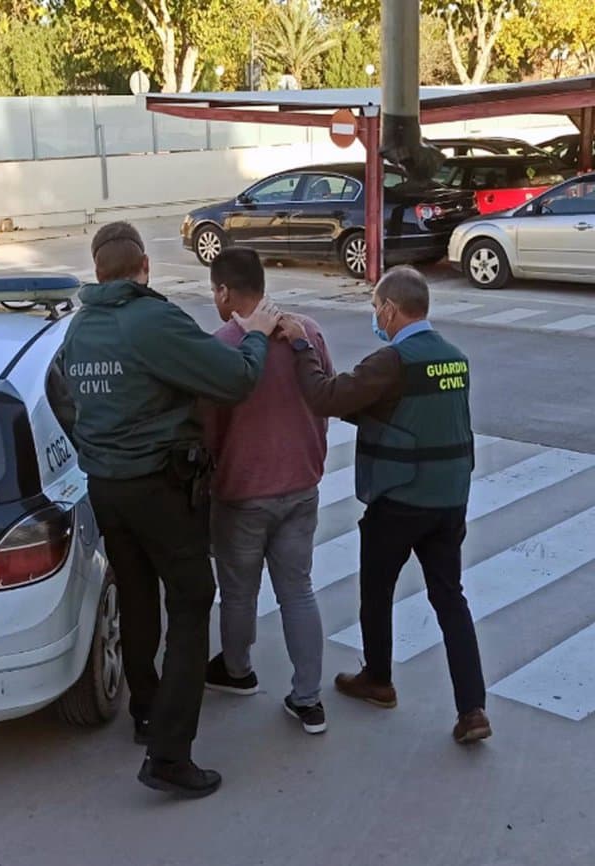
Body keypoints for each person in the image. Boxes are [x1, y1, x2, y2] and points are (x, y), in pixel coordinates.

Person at [58, 221, 280, 798]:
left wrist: (96, 445)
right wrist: (253, 333)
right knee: (190, 600)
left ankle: (146, 712)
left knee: (136, 593)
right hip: (157, 485)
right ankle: (170, 755)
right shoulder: (151, 320)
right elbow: (235, 378)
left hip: (105, 485)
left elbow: (62, 395)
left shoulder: (79, 328)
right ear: (143, 269)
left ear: (98, 270)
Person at [277, 266, 492, 744]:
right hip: (450, 500)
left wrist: (300, 346)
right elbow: (409, 412)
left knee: (376, 591)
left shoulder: (392, 361)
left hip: (399, 500)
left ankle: (378, 679)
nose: (376, 316)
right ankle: (473, 710)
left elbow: (325, 397)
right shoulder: (454, 358)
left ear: (392, 310)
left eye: (376, 308)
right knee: (450, 599)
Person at [203, 247, 332, 735]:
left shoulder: (221, 345)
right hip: (301, 485)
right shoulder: (309, 332)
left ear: (224, 292)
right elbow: (324, 395)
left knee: (238, 593)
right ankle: (308, 700)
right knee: (298, 589)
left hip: (242, 494)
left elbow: (208, 427)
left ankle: (237, 671)